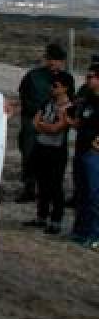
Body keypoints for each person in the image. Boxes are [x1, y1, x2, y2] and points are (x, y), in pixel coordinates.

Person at [16, 43, 72, 202]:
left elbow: (70, 102)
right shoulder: (33, 76)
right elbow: (24, 97)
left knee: (53, 160)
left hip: (56, 125)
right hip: (32, 122)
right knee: (29, 154)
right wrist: (37, 115)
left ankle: (50, 190)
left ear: (63, 61)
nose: (54, 62)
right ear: (46, 59)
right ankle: (29, 188)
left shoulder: (66, 79)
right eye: (51, 59)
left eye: (58, 59)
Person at [26, 72, 73, 234]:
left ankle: (56, 220)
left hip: (56, 151)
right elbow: (34, 122)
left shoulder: (68, 107)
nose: (51, 88)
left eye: (55, 85)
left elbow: (56, 128)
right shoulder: (47, 102)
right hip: (42, 147)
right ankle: (41, 216)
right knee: (42, 183)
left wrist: (43, 125)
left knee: (55, 186)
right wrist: (46, 126)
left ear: (65, 88)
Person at [66, 63, 99, 248]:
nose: (88, 79)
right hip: (81, 150)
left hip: (94, 154)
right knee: (82, 193)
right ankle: (81, 231)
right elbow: (81, 121)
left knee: (95, 196)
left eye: (91, 76)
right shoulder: (88, 99)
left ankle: (96, 235)